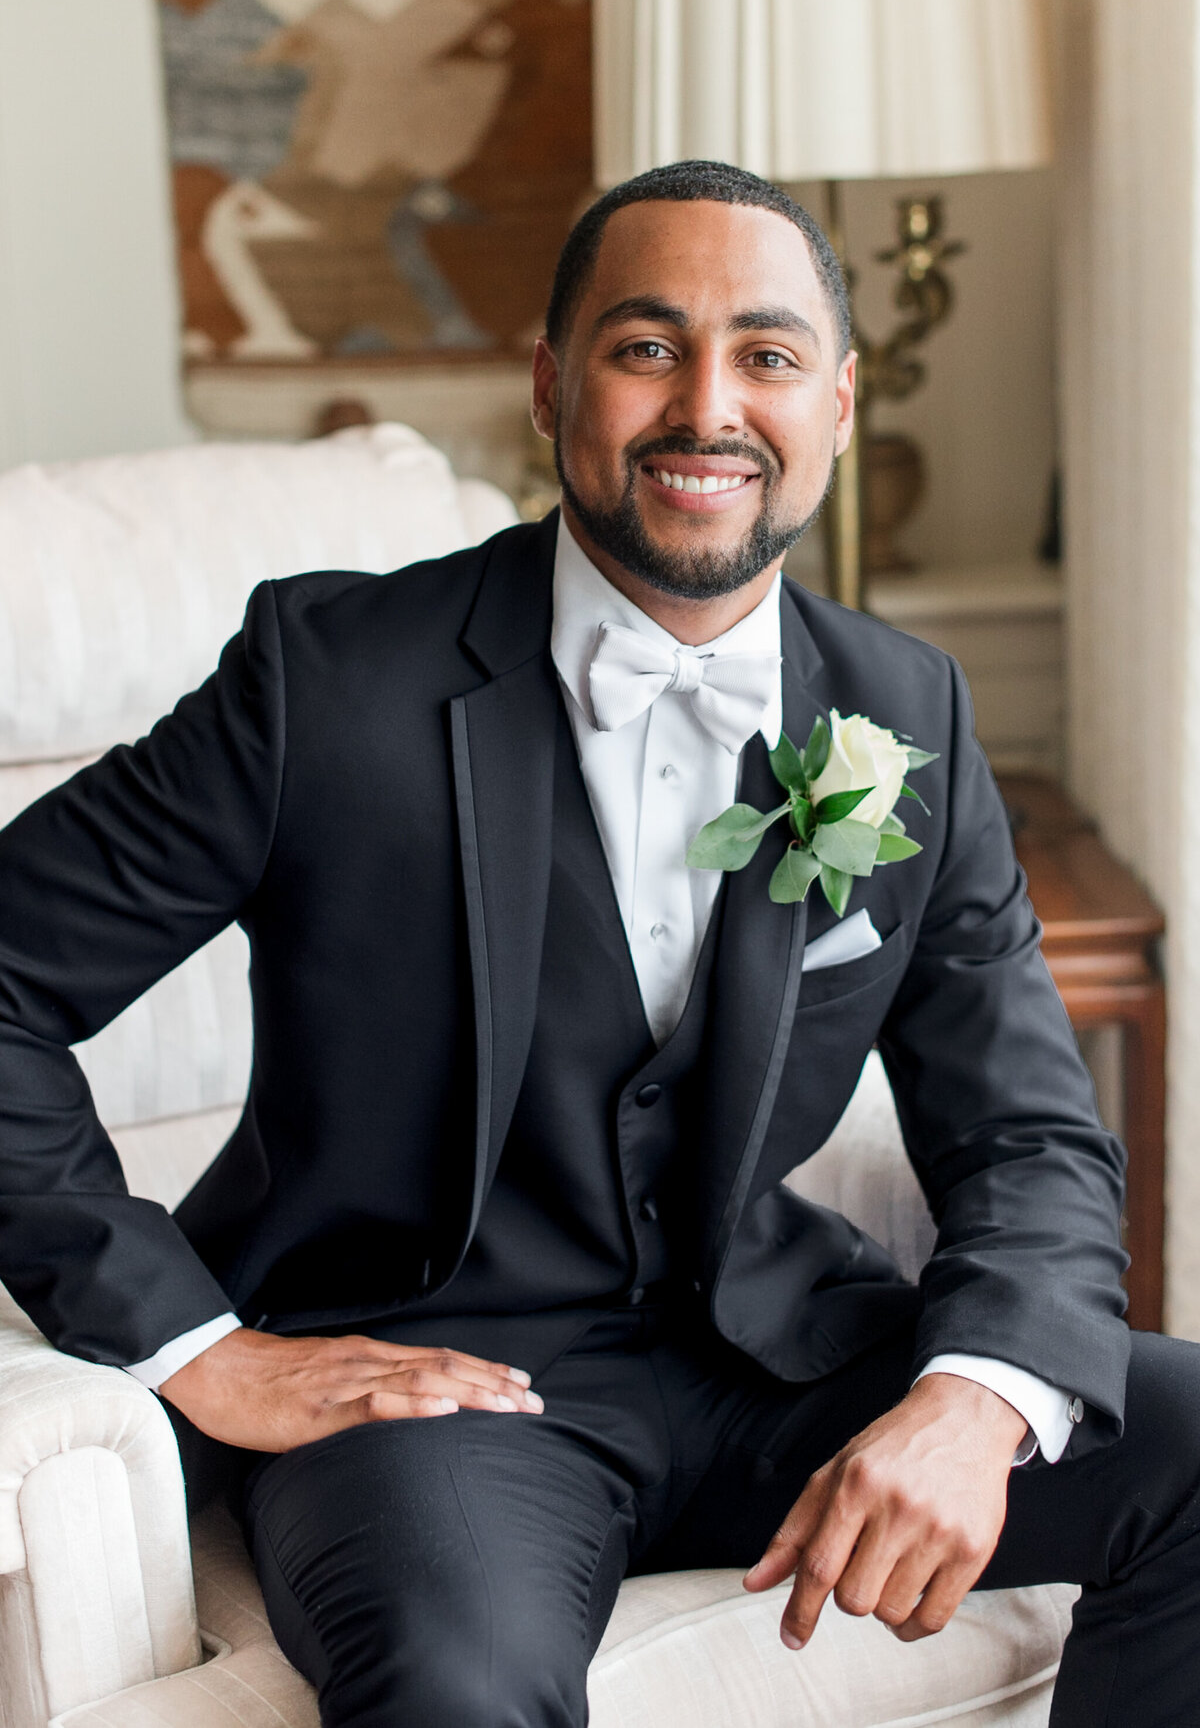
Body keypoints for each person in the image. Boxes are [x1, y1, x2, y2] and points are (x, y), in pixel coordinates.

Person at [0, 160, 1197, 1728]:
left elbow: (1030, 1129)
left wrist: (976, 1396)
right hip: (430, 1390)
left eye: (766, 356)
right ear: (554, 382)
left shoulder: (906, 711)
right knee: (463, 1686)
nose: (710, 406)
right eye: (648, 347)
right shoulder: (329, 681)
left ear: (835, 403)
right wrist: (199, 1347)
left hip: (777, 1359)